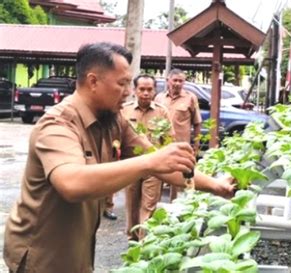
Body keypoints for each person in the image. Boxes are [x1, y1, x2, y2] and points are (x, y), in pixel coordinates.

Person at [3, 42, 234, 273]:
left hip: (77, 251)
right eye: (122, 83)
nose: (128, 92)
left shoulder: (113, 119)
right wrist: (150, 163)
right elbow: (72, 183)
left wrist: (216, 186)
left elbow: (161, 163)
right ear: (93, 81)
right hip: (42, 256)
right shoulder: (57, 125)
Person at [121, 74, 175, 240]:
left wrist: (167, 166)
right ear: (135, 91)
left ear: (154, 91)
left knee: (149, 205)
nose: (145, 93)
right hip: (131, 165)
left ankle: (144, 241)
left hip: (154, 167)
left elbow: (168, 140)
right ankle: (132, 239)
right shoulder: (125, 110)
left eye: (149, 89)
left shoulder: (161, 111)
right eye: (141, 89)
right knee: (131, 205)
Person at [155, 68, 202, 200]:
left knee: (179, 181)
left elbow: (197, 123)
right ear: (168, 81)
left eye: (180, 81)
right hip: (161, 145)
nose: (177, 83)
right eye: (175, 80)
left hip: (181, 146)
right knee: (158, 177)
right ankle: (156, 209)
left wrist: (196, 145)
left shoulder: (190, 98)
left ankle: (175, 209)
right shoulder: (159, 98)